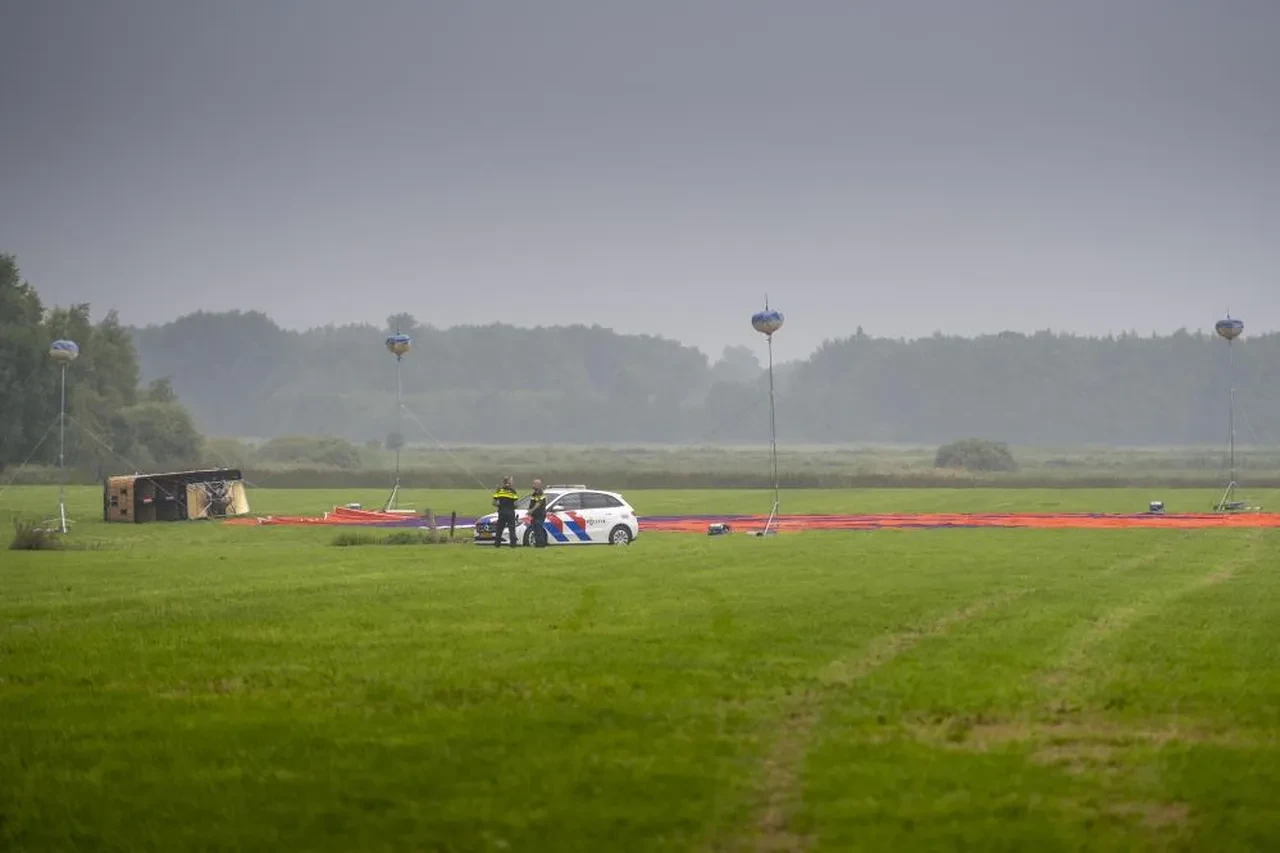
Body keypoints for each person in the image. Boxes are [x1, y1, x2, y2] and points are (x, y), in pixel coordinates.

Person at [491, 476, 519, 547]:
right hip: (510, 512)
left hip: (502, 512)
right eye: (511, 481)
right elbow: (516, 504)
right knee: (511, 529)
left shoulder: (499, 491)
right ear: (509, 482)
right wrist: (513, 506)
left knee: (499, 528)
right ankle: (513, 544)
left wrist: (500, 505)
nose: (512, 482)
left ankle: (497, 543)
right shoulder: (513, 491)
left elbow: (493, 503)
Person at [527, 478, 548, 548]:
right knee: (535, 530)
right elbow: (532, 503)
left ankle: (541, 545)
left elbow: (538, 503)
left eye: (534, 484)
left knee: (539, 530)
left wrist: (531, 510)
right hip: (534, 515)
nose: (533, 485)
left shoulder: (540, 493)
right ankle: (537, 544)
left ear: (539, 485)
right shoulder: (534, 494)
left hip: (540, 515)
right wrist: (529, 510)